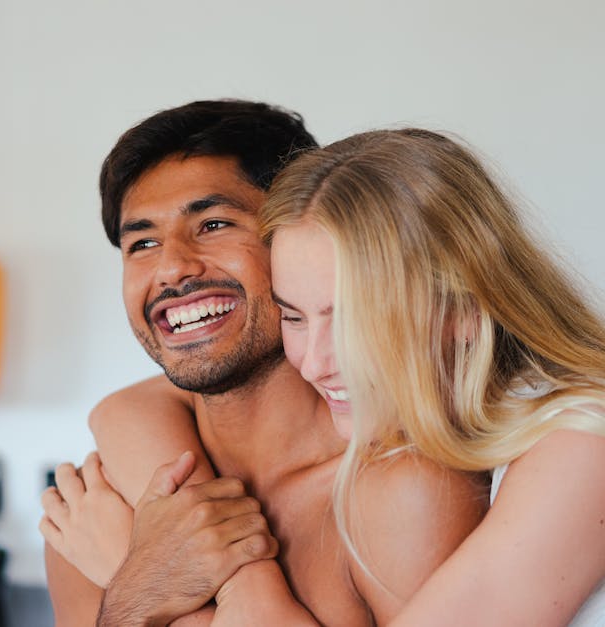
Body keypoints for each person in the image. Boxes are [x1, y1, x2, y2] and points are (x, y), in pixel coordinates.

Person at [254, 127, 605, 625]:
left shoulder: (585, 441)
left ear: (468, 309)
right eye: (294, 317)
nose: (313, 362)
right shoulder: (453, 422)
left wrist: (241, 579)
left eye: (354, 321)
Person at [39, 103, 487, 626]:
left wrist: (136, 578)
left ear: (296, 236)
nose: (172, 267)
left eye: (212, 223)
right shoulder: (105, 501)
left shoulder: (401, 491)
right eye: (143, 243)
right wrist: (131, 597)